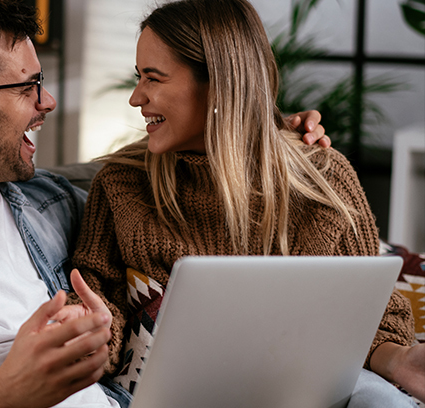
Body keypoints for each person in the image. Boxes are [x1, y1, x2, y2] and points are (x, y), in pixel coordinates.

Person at [0, 0, 328, 407]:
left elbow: (169, 180)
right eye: (29, 86)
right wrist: (9, 392)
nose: (47, 102)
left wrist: (260, 133)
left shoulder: (57, 202)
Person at [71, 0, 425, 407]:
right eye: (139, 77)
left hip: (311, 392)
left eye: (153, 78)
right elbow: (97, 298)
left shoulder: (321, 178)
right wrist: (89, 331)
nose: (136, 98)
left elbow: (370, 317)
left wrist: (400, 361)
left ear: (220, 85)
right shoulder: (123, 184)